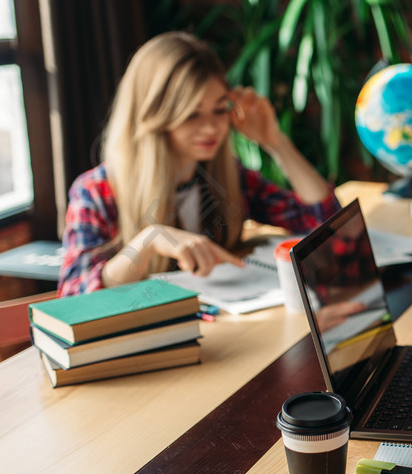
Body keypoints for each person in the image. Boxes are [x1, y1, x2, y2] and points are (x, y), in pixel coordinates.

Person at [58, 31, 341, 297]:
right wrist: (146, 243)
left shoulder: (227, 174)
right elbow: (71, 298)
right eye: (191, 115)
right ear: (152, 117)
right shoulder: (95, 193)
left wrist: (275, 141)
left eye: (219, 109)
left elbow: (326, 225)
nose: (211, 128)